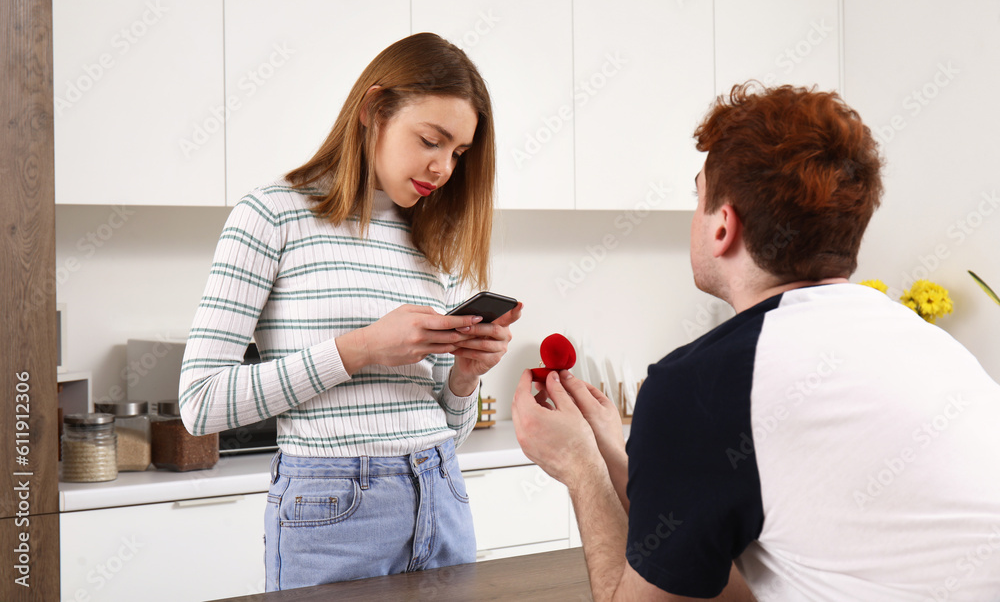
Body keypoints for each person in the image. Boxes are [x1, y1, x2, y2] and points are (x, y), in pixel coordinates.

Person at [513, 82, 1000, 600]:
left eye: (697, 195)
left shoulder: (701, 384)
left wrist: (579, 468)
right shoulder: (932, 347)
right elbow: (741, 573)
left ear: (723, 226)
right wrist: (612, 453)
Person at [178, 32, 522, 591]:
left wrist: (464, 377)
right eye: (431, 140)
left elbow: (448, 429)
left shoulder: (437, 239)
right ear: (373, 109)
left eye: (457, 153)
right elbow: (199, 404)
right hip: (332, 510)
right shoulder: (272, 217)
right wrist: (360, 349)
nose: (442, 168)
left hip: (441, 492)